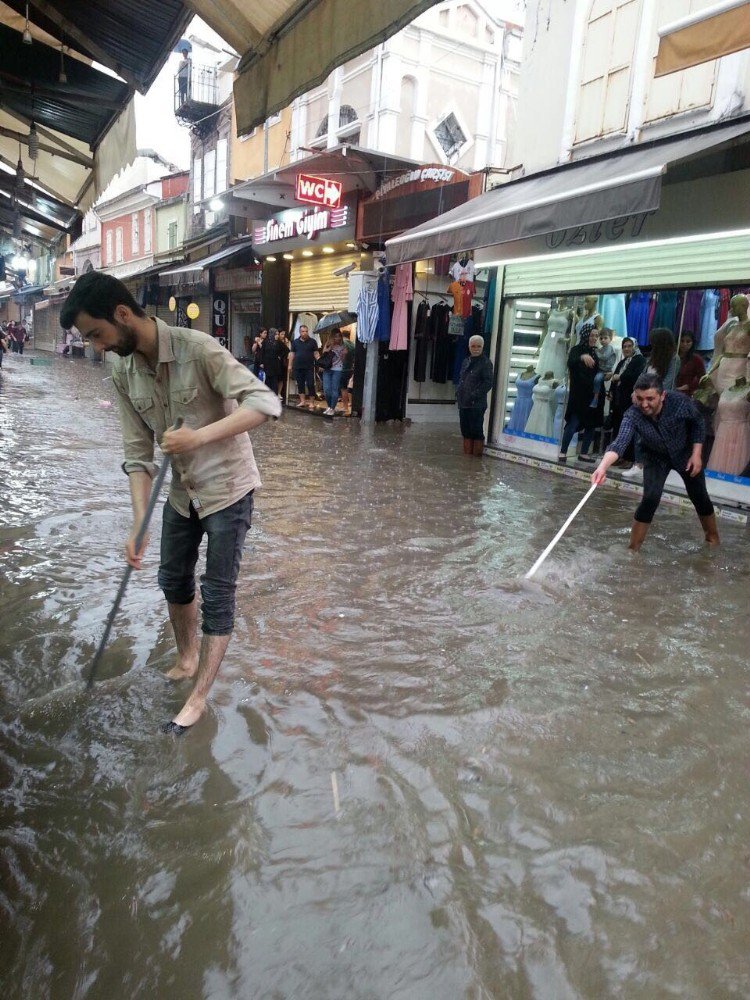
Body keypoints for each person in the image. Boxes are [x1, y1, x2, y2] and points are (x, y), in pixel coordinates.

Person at [60, 271, 282, 735]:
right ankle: (186, 659)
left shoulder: (198, 348)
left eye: (97, 334)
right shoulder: (120, 370)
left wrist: (198, 436)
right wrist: (139, 522)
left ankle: (199, 698)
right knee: (172, 579)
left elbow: (266, 403)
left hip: (227, 488)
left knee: (218, 591)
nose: (96, 346)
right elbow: (137, 455)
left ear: (122, 315)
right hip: (181, 495)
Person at [591, 372, 719, 551]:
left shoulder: (680, 402)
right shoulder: (632, 414)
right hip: (654, 456)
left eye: (650, 399)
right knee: (650, 498)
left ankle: (712, 538)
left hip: (685, 453)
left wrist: (697, 453)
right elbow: (619, 442)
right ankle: (633, 549)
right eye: (640, 398)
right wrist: (602, 467)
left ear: (662, 395)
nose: (644, 404)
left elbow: (698, 422)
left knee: (700, 496)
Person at [559, 328, 600, 463]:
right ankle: (563, 451)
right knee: (573, 422)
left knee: (590, 424)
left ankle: (584, 453)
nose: (594, 338)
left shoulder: (594, 353)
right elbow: (570, 362)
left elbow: (595, 371)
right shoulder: (577, 350)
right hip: (579, 394)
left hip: (591, 395)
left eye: (596, 336)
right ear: (585, 335)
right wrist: (582, 357)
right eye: (592, 335)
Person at [456, 335, 494, 456]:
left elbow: (488, 383)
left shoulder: (486, 363)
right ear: (469, 347)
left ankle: (476, 461)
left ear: (483, 347)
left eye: (479, 346)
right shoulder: (466, 361)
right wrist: (459, 392)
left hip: (476, 404)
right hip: (463, 403)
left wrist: (473, 395)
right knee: (465, 431)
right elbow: (462, 378)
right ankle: (468, 461)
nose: (476, 348)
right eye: (473, 346)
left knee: (476, 431)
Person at [608, 337, 646, 447]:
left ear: (634, 346)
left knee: (628, 428)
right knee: (617, 426)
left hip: (630, 399)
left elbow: (634, 376)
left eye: (629, 346)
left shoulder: (639, 360)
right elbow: (614, 377)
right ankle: (617, 454)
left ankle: (627, 458)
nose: (626, 349)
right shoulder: (623, 361)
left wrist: (620, 377)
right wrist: (610, 391)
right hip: (618, 399)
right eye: (624, 346)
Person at [289, 324, 319, 409]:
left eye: (306, 331)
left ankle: (311, 402)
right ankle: (302, 401)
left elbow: (316, 353)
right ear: (299, 332)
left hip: (309, 367)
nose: (305, 333)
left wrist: (320, 362)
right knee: (300, 384)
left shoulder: (313, 341)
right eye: (303, 331)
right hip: (298, 367)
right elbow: (292, 354)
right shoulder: (295, 342)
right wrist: (290, 365)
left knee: (310, 384)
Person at [319, 329, 346, 417]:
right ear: (332, 337)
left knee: (334, 390)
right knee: (326, 390)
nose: (337, 338)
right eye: (335, 336)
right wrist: (327, 350)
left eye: (339, 336)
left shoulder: (343, 346)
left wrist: (343, 354)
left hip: (337, 369)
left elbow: (343, 360)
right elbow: (323, 356)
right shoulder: (328, 344)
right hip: (327, 369)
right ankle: (329, 406)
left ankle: (332, 408)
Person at [591, 327, 617, 406]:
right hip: (601, 369)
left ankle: (595, 398)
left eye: (605, 338)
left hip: (605, 370)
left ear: (610, 338)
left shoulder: (609, 348)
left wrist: (596, 352)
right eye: (601, 338)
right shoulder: (601, 348)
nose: (603, 340)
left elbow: (604, 357)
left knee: (597, 379)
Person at [676, 331, 706, 396]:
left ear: (692, 343)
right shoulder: (673, 357)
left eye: (688, 342)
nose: (684, 344)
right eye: (682, 341)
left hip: (687, 393)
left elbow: (703, 378)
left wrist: (689, 386)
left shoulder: (696, 359)